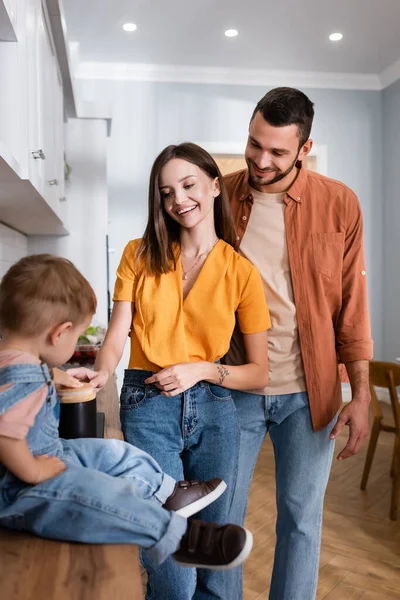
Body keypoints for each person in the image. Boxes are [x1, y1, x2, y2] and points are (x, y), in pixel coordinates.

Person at [69, 142, 271, 599]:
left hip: (216, 409)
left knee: (214, 544)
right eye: (166, 192)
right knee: (168, 548)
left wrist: (201, 370)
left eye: (188, 185)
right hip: (148, 404)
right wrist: (101, 373)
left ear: (215, 186)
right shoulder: (138, 255)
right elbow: (118, 334)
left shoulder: (241, 273)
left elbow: (259, 373)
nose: (178, 200)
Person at [0, 254, 254, 572]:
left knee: (109, 452)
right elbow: (5, 433)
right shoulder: (23, 376)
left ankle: (167, 491)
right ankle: (181, 538)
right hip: (21, 489)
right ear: (59, 333)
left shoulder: (15, 362)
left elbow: (18, 388)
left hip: (47, 456)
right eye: (76, 336)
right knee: (96, 491)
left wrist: (58, 376)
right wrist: (33, 471)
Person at [223, 87, 373, 599]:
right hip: (234, 387)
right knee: (224, 520)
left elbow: (353, 304)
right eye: (254, 143)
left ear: (305, 148)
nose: (261, 160)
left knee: (302, 520)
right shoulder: (218, 197)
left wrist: (362, 394)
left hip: (312, 392)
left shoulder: (340, 203)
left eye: (278, 151)